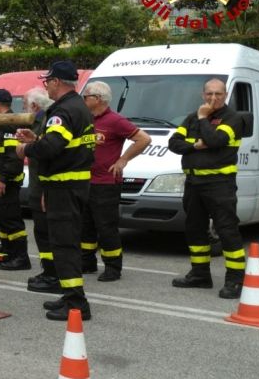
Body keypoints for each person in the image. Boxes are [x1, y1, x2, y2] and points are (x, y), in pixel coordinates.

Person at [16, 61, 95, 321]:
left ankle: (76, 303)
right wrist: (38, 139)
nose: (46, 86)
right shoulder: (78, 107)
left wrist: (26, 149)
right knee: (66, 243)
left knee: (64, 246)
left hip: (63, 188)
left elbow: (51, 148)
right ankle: (70, 295)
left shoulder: (62, 111)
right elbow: (61, 144)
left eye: (47, 81)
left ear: (57, 82)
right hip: (72, 186)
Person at [168, 77, 248, 299]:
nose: (213, 98)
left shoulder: (233, 118)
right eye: (209, 93)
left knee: (226, 230)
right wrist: (195, 145)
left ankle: (235, 280)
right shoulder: (191, 117)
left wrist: (203, 119)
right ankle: (200, 275)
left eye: (218, 94)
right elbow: (173, 144)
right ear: (203, 95)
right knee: (194, 229)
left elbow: (214, 140)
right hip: (193, 183)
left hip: (219, 184)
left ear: (226, 95)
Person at [80, 81, 151, 282]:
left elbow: (144, 139)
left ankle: (113, 267)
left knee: (106, 227)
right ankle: (87, 262)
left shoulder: (115, 120)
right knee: (85, 226)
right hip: (85, 181)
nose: (83, 100)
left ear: (98, 99)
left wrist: (123, 159)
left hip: (106, 184)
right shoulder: (85, 119)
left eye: (85, 97)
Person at [0, 88, 30, 271]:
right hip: (1, 182)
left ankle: (20, 257)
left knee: (11, 219)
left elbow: (14, 157)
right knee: (2, 219)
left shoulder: (9, 124)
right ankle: (7, 252)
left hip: (7, 183)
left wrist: (3, 178)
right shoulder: (2, 122)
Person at [21, 87, 58, 292]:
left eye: (25, 105)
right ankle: (49, 271)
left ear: (35, 106)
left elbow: (49, 156)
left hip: (44, 187)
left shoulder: (46, 121)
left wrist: (45, 190)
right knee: (42, 232)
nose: (23, 110)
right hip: (41, 185)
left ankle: (53, 275)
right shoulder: (42, 121)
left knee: (46, 233)